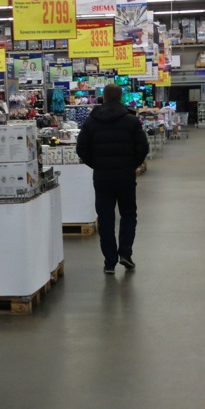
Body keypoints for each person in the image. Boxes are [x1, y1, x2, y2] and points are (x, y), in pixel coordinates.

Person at [76, 82, 149, 274]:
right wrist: (131, 165)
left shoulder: (91, 121)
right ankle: (125, 253)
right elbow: (143, 148)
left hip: (102, 178)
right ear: (121, 98)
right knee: (128, 215)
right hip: (125, 177)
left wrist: (96, 164)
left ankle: (109, 262)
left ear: (104, 98)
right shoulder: (132, 121)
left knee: (105, 218)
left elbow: (81, 149)